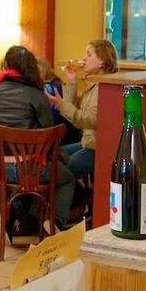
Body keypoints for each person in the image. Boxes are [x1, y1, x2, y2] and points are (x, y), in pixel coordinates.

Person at [0, 46, 78, 234]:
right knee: (66, 179)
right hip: (32, 167)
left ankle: (7, 212)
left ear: (6, 65)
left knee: (25, 180)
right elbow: (48, 131)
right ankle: (54, 220)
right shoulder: (37, 94)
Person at [48, 39, 120, 192]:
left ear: (101, 61)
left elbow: (88, 120)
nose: (83, 58)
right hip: (87, 142)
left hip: (98, 147)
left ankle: (72, 209)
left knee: (61, 172)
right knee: (54, 155)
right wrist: (72, 81)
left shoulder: (104, 86)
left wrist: (60, 104)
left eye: (88, 54)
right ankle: (78, 203)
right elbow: (73, 112)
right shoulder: (93, 82)